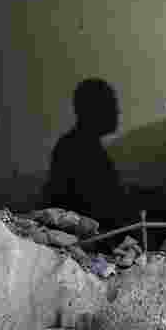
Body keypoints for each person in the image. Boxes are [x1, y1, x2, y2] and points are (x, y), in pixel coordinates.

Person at [42, 78, 129, 230]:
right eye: (110, 105)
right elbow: (100, 209)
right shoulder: (79, 151)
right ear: (93, 109)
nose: (117, 111)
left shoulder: (81, 146)